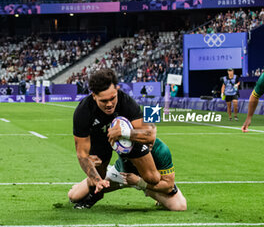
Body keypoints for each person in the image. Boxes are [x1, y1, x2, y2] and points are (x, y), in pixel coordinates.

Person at [68, 68, 160, 209]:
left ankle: (146, 185)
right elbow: (82, 154)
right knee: (76, 195)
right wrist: (98, 180)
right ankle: (96, 193)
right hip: (100, 141)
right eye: (104, 101)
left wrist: (125, 133)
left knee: (153, 178)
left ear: (117, 90)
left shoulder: (127, 102)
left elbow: (150, 134)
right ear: (94, 96)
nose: (109, 104)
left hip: (129, 141)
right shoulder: (83, 111)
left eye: (112, 98)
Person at [105, 137, 187, 211]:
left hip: (149, 181)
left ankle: (153, 192)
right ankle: (109, 171)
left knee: (180, 206)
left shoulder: (161, 149)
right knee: (93, 189)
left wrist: (139, 182)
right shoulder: (124, 141)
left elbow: (169, 186)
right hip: (122, 174)